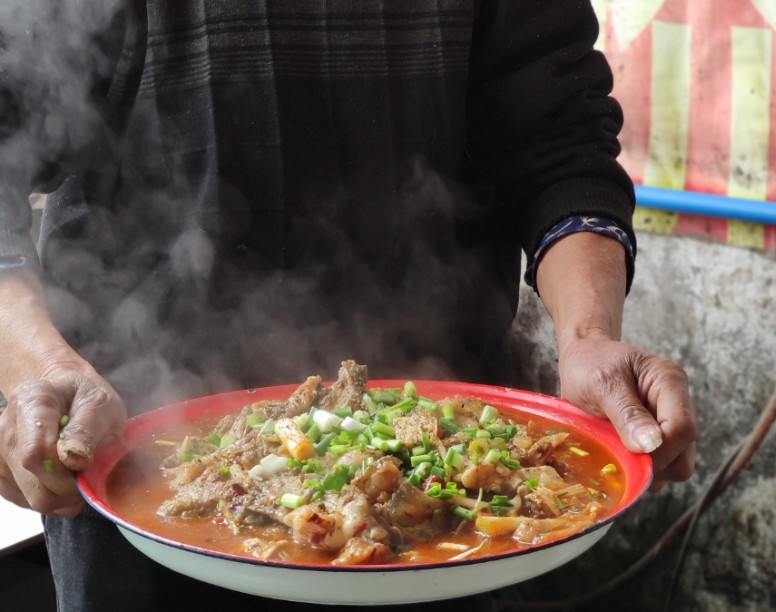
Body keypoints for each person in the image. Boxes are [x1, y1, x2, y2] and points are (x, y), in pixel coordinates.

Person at [0, 0, 697, 609]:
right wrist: (34, 365)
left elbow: (558, 140)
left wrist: (588, 337)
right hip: (134, 465)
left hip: (448, 497)